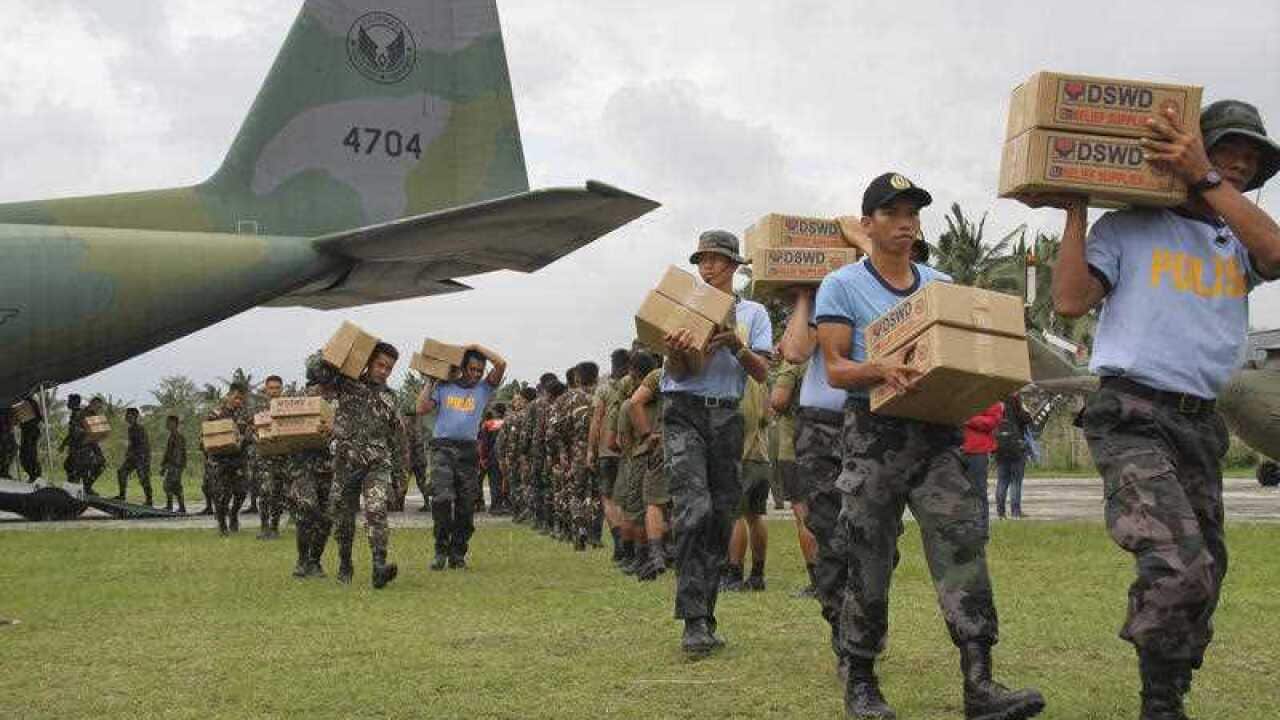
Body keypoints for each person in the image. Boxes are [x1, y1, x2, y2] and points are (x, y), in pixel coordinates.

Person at [1042, 99, 1280, 720]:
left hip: (1201, 421)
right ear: (1191, 149)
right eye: (1226, 149)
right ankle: (1158, 706)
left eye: (1249, 159)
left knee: (1207, 573)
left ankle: (1168, 691)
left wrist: (1207, 177)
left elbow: (1278, 255)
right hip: (1131, 412)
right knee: (1178, 565)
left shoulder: (1238, 237)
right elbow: (1069, 300)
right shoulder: (1127, 227)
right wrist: (1074, 211)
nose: (1238, 164)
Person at [815, 172, 1044, 719]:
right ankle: (862, 680)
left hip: (940, 433)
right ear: (867, 225)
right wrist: (880, 366)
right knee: (867, 553)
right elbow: (836, 370)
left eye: (912, 213)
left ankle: (980, 683)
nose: (905, 223)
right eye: (892, 213)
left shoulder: (940, 286)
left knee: (962, 546)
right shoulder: (843, 286)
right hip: (875, 436)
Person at [660, 230, 772, 657]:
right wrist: (675, 351)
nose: (707, 267)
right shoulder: (680, 307)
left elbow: (762, 372)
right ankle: (692, 620)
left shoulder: (754, 313)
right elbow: (679, 372)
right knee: (695, 510)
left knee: (722, 516)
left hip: (727, 416)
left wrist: (735, 345)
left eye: (717, 260)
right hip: (683, 409)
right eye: (702, 259)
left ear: (735, 266)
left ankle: (705, 615)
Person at [780, 286, 852, 680]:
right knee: (828, 534)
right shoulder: (835, 295)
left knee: (876, 540)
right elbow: (793, 352)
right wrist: (806, 295)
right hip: (820, 426)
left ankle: (863, 625)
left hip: (877, 425)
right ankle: (846, 638)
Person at [309, 342, 405, 588]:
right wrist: (335, 355)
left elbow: (397, 438)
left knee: (376, 512)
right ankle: (345, 563)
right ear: (369, 362)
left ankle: (379, 567)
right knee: (343, 518)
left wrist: (399, 476)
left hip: (377, 464)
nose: (384, 371)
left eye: (389, 368)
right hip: (346, 462)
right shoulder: (346, 384)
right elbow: (316, 374)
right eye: (380, 364)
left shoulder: (391, 398)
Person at [417, 345, 507, 570]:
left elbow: (501, 364)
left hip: (468, 451)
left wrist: (476, 347)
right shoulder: (444, 387)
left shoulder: (484, 389)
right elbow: (420, 408)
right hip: (442, 449)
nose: (476, 375)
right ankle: (440, 550)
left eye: (480, 370)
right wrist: (431, 381)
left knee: (467, 505)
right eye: (472, 369)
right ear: (462, 368)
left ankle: (458, 553)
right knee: (442, 499)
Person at [770, 357, 820, 599]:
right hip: (828, 445)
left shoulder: (795, 362)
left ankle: (817, 581)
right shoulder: (831, 355)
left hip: (794, 447)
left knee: (804, 517)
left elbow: (778, 401)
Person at [723, 372, 771, 592]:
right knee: (756, 516)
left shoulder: (734, 378)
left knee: (736, 516)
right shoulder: (760, 378)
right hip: (762, 456)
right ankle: (757, 575)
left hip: (741, 456)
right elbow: (767, 416)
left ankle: (734, 574)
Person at [286, 380, 336, 579]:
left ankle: (314, 561)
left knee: (327, 518)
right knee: (307, 508)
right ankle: (302, 559)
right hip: (303, 468)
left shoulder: (340, 400)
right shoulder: (299, 400)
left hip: (329, 468)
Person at [626, 355, 671, 578]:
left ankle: (656, 556)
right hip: (696, 443)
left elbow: (634, 403)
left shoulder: (661, 374)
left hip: (665, 442)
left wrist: (647, 435)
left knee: (654, 501)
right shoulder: (703, 371)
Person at [589, 349, 630, 561]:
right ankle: (629, 541)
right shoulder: (633, 386)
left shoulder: (602, 390)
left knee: (608, 498)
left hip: (606, 450)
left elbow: (596, 420)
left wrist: (590, 449)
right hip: (628, 449)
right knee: (625, 499)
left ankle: (618, 542)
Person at [204, 383, 254, 535]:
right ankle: (222, 525)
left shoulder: (245, 415)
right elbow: (205, 437)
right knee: (221, 495)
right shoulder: (215, 414)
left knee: (241, 492)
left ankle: (233, 515)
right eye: (236, 397)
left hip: (239, 460)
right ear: (229, 395)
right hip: (219, 460)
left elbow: (251, 436)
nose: (239, 401)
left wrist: (245, 438)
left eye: (242, 399)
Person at [255, 376, 290, 538]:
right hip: (265, 458)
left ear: (282, 389)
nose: (274, 391)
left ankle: (274, 527)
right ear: (266, 389)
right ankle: (264, 527)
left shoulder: (288, 407)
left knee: (278, 493)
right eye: (271, 388)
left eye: (277, 388)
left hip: (284, 457)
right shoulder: (259, 408)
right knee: (264, 492)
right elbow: (250, 430)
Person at [962, 402, 1003, 537]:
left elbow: (992, 421)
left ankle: (980, 531)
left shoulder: (989, 395)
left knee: (977, 492)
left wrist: (967, 419)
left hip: (976, 452)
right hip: (953, 450)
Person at [994, 394, 1033, 519]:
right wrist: (1024, 408)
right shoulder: (1017, 409)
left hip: (1000, 447)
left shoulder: (997, 406)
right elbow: (1028, 420)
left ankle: (1001, 513)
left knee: (1002, 481)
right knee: (1016, 481)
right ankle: (1016, 512)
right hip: (1016, 447)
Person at [113, 408, 153, 505]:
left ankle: (149, 500)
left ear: (135, 417)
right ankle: (122, 496)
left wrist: (141, 458)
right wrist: (128, 452)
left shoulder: (140, 428)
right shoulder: (130, 429)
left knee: (143, 478)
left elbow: (143, 445)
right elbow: (132, 444)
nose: (127, 417)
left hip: (142, 457)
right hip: (133, 457)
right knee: (121, 472)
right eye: (126, 415)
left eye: (129, 416)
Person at [160, 415, 187, 513]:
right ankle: (178, 507)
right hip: (174, 465)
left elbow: (177, 454)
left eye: (169, 422)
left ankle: (171, 506)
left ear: (175, 424)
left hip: (176, 465)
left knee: (169, 485)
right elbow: (168, 452)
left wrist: (170, 466)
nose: (167, 424)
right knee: (174, 486)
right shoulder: (172, 436)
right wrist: (164, 464)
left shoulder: (177, 437)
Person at [18, 398, 43, 482]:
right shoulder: (22, 402)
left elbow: (39, 417)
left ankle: (35, 476)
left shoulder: (28, 402)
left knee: (28, 455)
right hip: (29, 431)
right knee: (28, 455)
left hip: (30, 431)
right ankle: (34, 476)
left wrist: (29, 423)